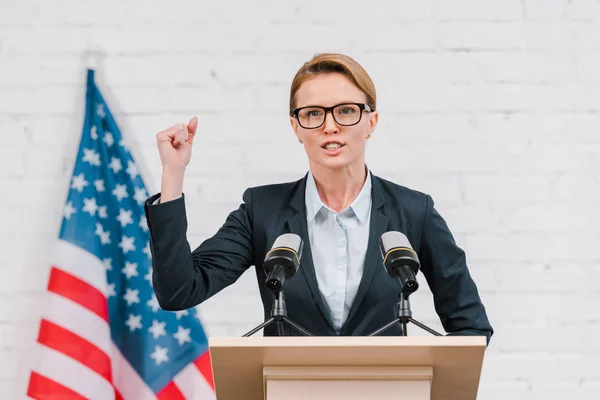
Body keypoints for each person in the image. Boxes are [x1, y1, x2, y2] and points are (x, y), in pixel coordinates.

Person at [144, 53, 493, 341]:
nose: (330, 126)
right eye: (313, 113)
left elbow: (471, 326)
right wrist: (173, 174)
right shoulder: (260, 211)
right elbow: (179, 291)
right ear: (296, 127)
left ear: (371, 122)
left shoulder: (414, 211)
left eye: (345, 110)